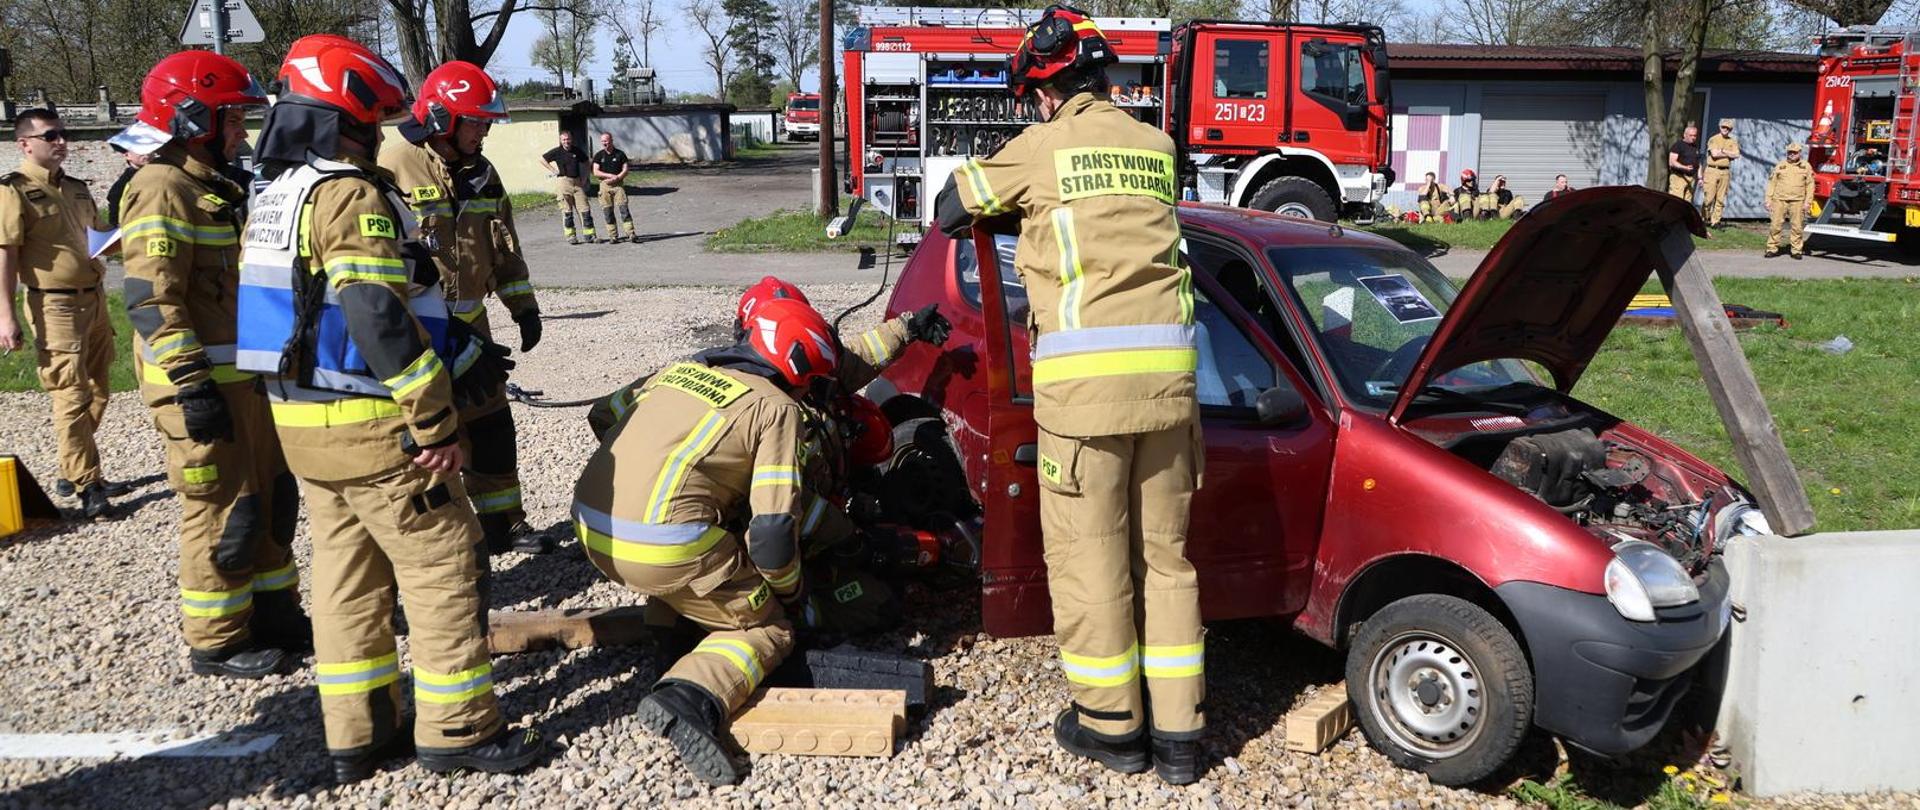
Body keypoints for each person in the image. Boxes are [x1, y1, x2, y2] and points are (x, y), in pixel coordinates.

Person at [236, 34, 541, 783]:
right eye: (368, 120)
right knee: (447, 567)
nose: (375, 134)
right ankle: (460, 730)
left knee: (345, 580)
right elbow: (375, 314)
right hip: (375, 427)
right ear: (346, 117)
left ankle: (359, 732)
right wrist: (434, 421)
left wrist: (467, 350)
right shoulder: (349, 192)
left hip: (304, 425)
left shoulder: (278, 193)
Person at [933, 4, 1206, 785]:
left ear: (1043, 90)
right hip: (1171, 394)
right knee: (1167, 563)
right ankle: (1181, 738)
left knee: (1090, 562)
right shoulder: (1157, 146)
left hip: (1085, 402)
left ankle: (1113, 728)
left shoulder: (1040, 148)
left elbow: (955, 207)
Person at [586, 277, 951, 640]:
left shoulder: (723, 373)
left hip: (755, 520)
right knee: (801, 618)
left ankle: (683, 615)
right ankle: (792, 622)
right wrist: (797, 588)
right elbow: (775, 526)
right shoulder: (775, 407)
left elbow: (847, 361)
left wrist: (906, 328)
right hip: (766, 528)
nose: (810, 388)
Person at [572, 297, 836, 786]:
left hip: (591, 527)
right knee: (767, 627)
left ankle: (669, 640)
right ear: (798, 371)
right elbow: (773, 537)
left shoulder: (677, 373)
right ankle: (689, 696)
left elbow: (601, 415)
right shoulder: (777, 409)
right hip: (664, 549)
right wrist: (791, 595)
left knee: (695, 551)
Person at [119, 50, 313, 679]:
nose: (242, 131)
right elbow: (151, 296)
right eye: (231, 118)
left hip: (246, 384)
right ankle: (219, 639)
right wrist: (191, 382)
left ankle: (275, 611)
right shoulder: (161, 188)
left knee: (270, 500)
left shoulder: (214, 186)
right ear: (191, 116)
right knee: (222, 510)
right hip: (202, 386)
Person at [380, 61, 550, 558]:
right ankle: (438, 545)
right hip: (418, 331)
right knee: (429, 436)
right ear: (440, 118)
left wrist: (523, 306)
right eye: (476, 121)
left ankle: (505, 526)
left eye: (487, 121)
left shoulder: (482, 171)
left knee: (492, 427)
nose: (485, 130)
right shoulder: (392, 163)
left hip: (472, 327)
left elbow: (504, 246)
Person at [0, 110, 121, 519]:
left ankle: (71, 467)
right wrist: (6, 316)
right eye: (50, 135)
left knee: (100, 387)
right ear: (25, 144)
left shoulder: (76, 188)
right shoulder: (13, 191)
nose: (61, 141)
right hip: (54, 304)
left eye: (63, 134)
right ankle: (88, 485)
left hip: (96, 298)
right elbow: (6, 257)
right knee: (70, 394)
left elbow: (99, 238)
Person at [542, 131, 597, 244]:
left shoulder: (576, 151)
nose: (566, 141)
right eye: (564, 140)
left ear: (571, 139)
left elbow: (587, 162)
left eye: (568, 139)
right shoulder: (557, 151)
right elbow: (542, 159)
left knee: (585, 209)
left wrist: (585, 178)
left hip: (577, 182)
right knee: (567, 212)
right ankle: (571, 237)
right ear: (560, 140)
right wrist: (553, 170)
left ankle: (590, 235)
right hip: (564, 181)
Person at [1764, 142, 1815, 260]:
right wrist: (1768, 200)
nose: (1791, 155)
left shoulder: (1806, 166)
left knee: (1797, 227)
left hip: (1797, 201)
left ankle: (1796, 250)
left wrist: (1808, 202)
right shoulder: (1780, 165)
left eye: (1794, 152)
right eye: (1789, 152)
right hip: (1779, 200)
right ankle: (1772, 249)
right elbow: (1772, 183)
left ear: (1799, 153)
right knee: (1775, 225)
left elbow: (1810, 185)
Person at [591, 133, 637, 243]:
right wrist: (610, 176)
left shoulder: (620, 154)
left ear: (611, 140)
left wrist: (617, 178)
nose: (604, 143)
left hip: (618, 185)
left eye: (606, 141)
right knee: (608, 211)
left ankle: (631, 234)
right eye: (602, 141)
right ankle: (613, 236)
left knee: (624, 210)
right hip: (604, 185)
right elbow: (595, 172)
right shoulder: (599, 155)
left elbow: (625, 170)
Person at [102, 144, 153, 230]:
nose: (146, 153)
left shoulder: (157, 174)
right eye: (140, 150)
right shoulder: (124, 182)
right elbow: (115, 205)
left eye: (148, 149)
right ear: (127, 155)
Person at [1702, 118, 1740, 228]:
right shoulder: (1714, 139)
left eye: (1728, 128)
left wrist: (1722, 151)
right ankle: (1704, 219)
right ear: (1720, 127)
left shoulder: (1732, 141)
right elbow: (1714, 154)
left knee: (1720, 198)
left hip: (1725, 172)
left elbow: (1737, 154)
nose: (1725, 129)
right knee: (1708, 198)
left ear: (1731, 130)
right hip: (1712, 170)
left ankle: (1715, 222)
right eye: (1723, 127)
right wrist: (1729, 153)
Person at [1668, 124, 1701, 201]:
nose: (1693, 138)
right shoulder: (1678, 145)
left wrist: (1700, 178)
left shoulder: (1695, 147)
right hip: (1679, 177)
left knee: (1687, 203)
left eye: (1695, 136)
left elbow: (1698, 163)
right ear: (1685, 135)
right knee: (1676, 201)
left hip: (1691, 179)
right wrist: (1684, 167)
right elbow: (1672, 162)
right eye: (1691, 135)